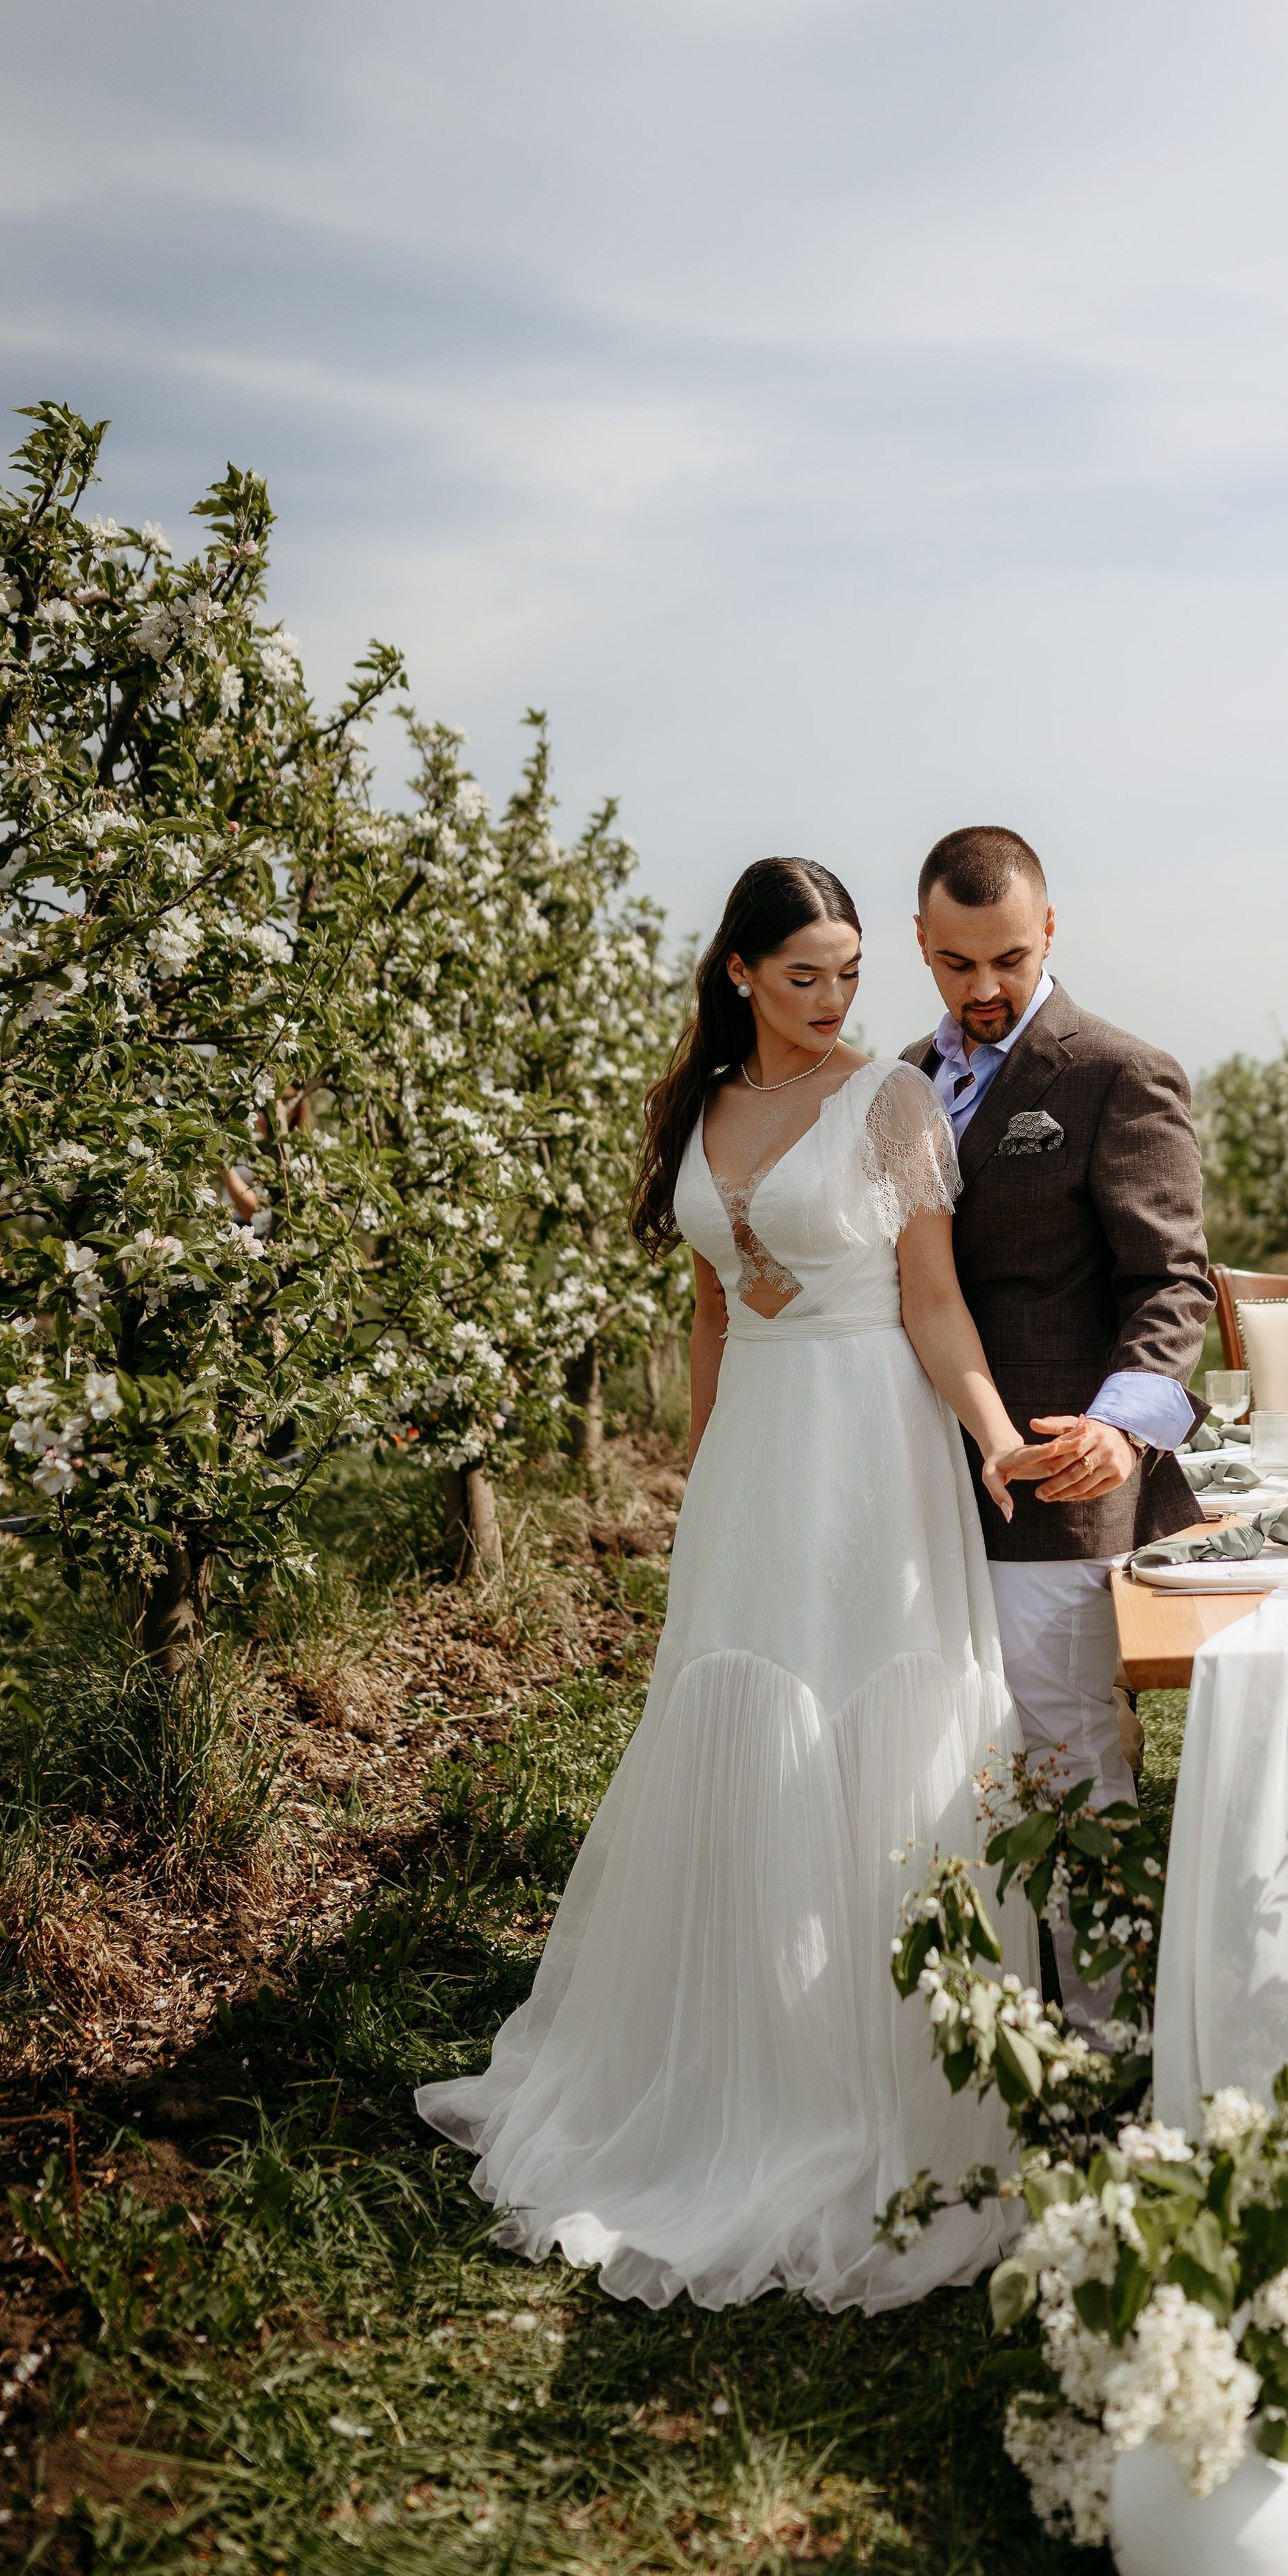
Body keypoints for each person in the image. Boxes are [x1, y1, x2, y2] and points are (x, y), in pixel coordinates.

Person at [417, 855, 1041, 2313]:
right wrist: (703, 1475)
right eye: (803, 975)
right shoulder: (694, 1105)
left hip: (872, 1441)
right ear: (741, 974)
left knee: (874, 1719)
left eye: (847, 975)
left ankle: (881, 2076)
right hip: (759, 1451)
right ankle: (729, 2058)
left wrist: (997, 1435)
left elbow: (930, 1299)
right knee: (736, 1714)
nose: (831, 1002)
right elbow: (706, 1305)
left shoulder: (888, 1100)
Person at [902, 826, 1213, 2029]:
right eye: (956, 964)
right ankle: (978, 2025)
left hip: (1061, 1485)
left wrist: (1121, 1431)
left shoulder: (1115, 1074)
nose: (985, 990)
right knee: (948, 1753)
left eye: (1011, 961)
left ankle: (1108, 2037)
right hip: (918, 1480)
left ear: (1051, 936)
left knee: (1074, 1756)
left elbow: (1172, 1280)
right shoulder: (896, 1085)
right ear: (923, 948)